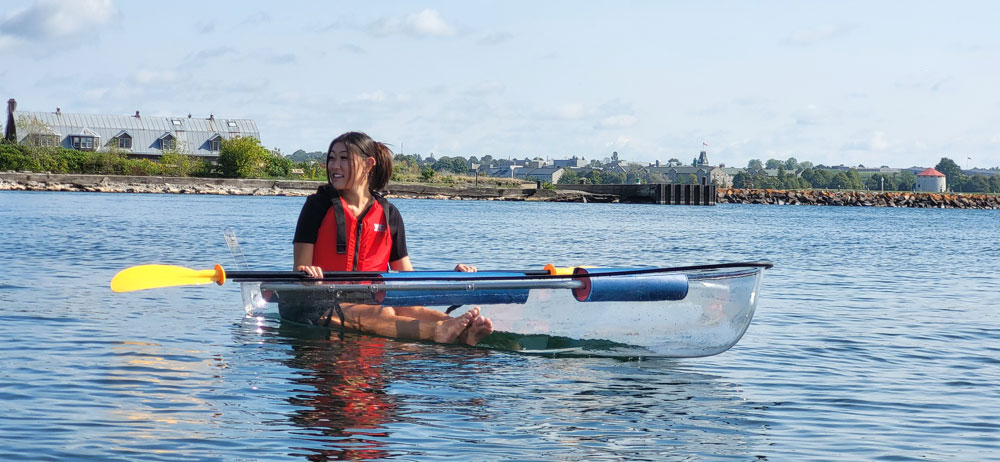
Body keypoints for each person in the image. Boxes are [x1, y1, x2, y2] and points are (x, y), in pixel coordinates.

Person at [292, 131, 493, 345]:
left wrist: (450, 276)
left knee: (409, 308)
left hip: (370, 299)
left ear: (368, 165)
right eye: (331, 158)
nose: (334, 166)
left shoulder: (390, 215)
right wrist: (307, 272)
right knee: (384, 314)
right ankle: (439, 332)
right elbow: (300, 269)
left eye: (344, 158)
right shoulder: (317, 206)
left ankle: (463, 332)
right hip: (319, 303)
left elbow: (407, 279)